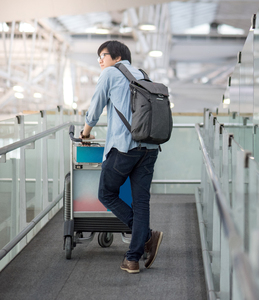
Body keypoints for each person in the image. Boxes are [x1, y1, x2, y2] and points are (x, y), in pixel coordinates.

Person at [79, 40, 163, 274]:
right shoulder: (143, 75)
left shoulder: (110, 74)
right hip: (150, 147)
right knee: (141, 202)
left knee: (106, 193)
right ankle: (133, 258)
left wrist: (85, 132)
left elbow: (95, 107)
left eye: (102, 55)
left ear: (116, 56)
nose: (99, 61)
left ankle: (145, 235)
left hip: (124, 147)